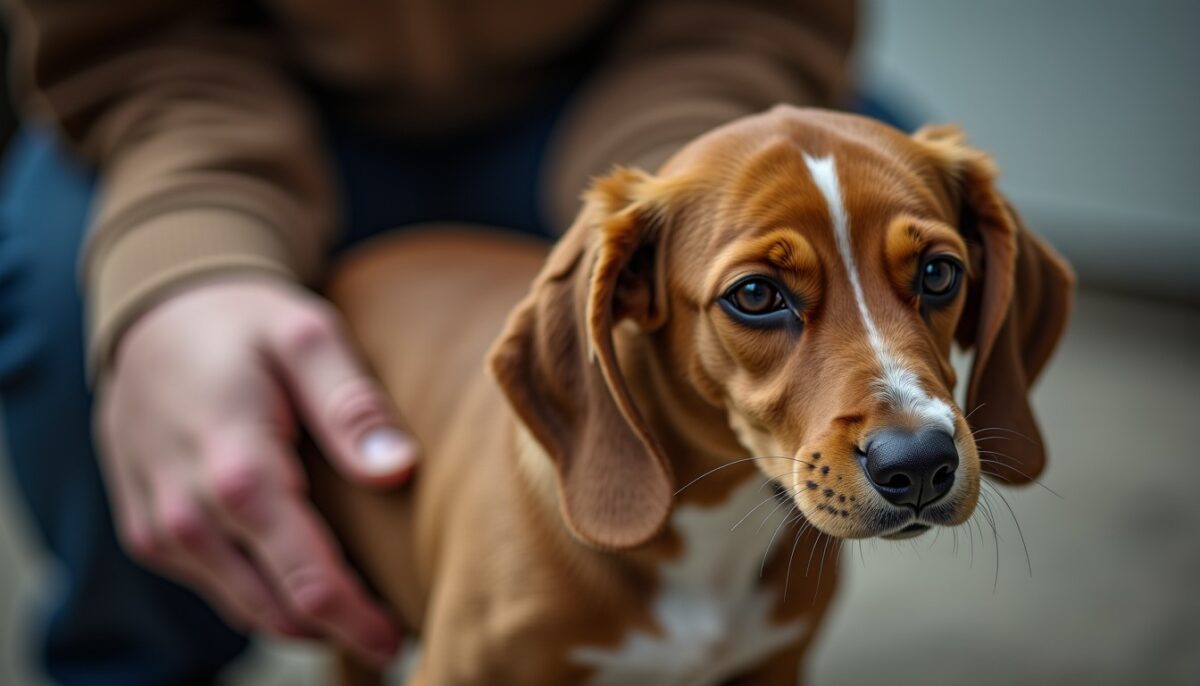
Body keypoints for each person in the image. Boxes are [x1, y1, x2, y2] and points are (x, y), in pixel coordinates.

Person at [0, 0, 857, 682]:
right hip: (215, 104)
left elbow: (753, 19)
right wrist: (184, 262)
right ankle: (137, 659)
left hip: (646, 94)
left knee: (864, 197)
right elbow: (134, 39)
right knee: (62, 299)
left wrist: (710, 215)